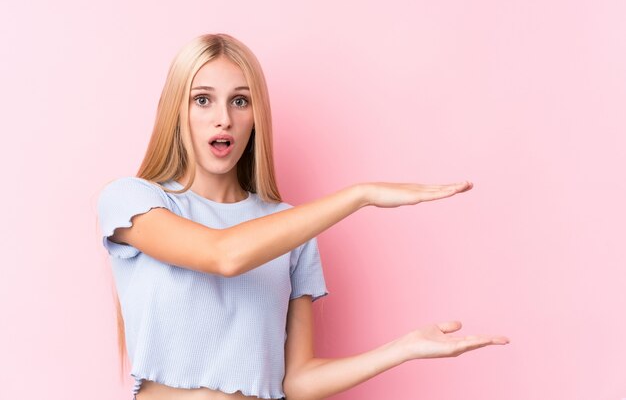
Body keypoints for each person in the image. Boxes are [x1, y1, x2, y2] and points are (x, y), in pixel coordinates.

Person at [96, 33, 509, 400]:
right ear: (176, 111)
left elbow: (296, 381)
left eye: (240, 100)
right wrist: (358, 196)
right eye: (202, 99)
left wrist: (402, 349)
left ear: (256, 116)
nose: (224, 117)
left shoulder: (289, 226)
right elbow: (223, 255)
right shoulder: (132, 200)